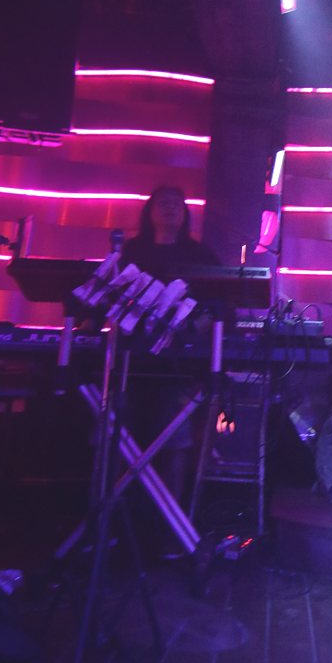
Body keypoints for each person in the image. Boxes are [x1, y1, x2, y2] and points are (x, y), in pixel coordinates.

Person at [121, 187, 220, 539]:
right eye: (162, 202)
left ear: (186, 213)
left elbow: (221, 305)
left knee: (174, 439)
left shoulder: (199, 255)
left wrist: (194, 329)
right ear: (149, 212)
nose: (170, 207)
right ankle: (116, 523)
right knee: (115, 435)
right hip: (128, 363)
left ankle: (168, 529)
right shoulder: (131, 252)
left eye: (177, 203)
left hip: (178, 365)